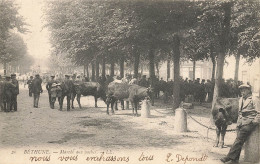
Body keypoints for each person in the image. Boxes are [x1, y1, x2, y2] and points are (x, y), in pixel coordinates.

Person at [220, 84, 260, 163]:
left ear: (249, 90)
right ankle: (235, 160)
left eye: (244, 90)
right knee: (239, 141)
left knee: (239, 139)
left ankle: (228, 157)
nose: (242, 92)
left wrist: (255, 121)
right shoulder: (241, 99)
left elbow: (259, 112)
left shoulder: (254, 99)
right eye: (241, 90)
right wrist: (238, 122)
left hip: (250, 122)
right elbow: (240, 112)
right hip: (241, 122)